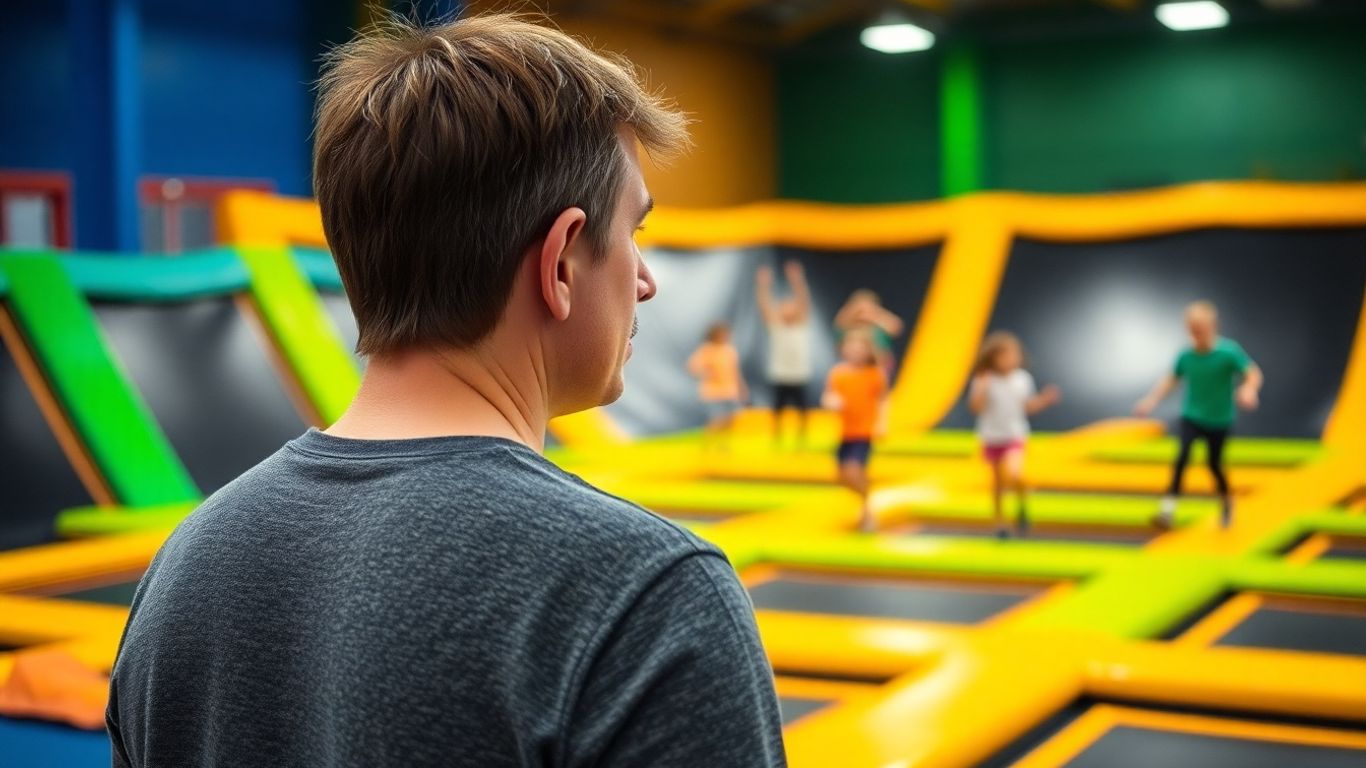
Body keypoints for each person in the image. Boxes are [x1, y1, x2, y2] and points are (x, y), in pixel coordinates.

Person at [106, 15, 785, 768]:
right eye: (634, 234)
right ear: (561, 261)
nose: (645, 280)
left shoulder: (184, 569)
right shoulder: (643, 600)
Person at [1135, 301, 1262, 530]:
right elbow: (1171, 379)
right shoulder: (1186, 355)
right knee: (1182, 458)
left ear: (1213, 326)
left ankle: (1226, 502)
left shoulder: (1228, 352)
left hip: (1219, 419)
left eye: (1201, 329)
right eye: (1193, 330)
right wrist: (1151, 400)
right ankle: (1167, 511)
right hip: (1192, 415)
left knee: (1213, 464)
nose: (1197, 335)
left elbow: (1252, 372)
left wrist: (1249, 389)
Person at [968, 332, 1061, 539]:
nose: (1012, 359)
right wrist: (982, 388)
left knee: (1015, 474)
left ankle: (1021, 502)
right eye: (1006, 356)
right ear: (993, 357)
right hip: (991, 437)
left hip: (1014, 435)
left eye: (1014, 355)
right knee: (997, 483)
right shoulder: (984, 378)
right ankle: (1000, 522)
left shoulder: (1022, 379)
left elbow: (1028, 406)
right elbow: (976, 408)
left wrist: (1044, 400)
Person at [822, 329, 888, 532]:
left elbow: (883, 400)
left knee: (853, 470)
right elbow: (829, 396)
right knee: (842, 476)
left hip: (863, 432)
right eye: (851, 347)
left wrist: (882, 422)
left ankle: (867, 509)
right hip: (846, 432)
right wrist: (831, 402)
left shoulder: (874, 374)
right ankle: (865, 498)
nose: (855, 352)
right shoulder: (838, 373)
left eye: (860, 348)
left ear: (868, 351)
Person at [756, 261, 813, 447]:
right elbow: (765, 305)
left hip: (798, 374)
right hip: (781, 374)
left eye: (791, 307)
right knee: (777, 409)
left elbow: (804, 301)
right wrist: (763, 285)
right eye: (784, 307)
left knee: (802, 409)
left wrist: (797, 280)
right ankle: (777, 435)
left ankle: (802, 436)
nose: (788, 310)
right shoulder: (777, 328)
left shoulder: (800, 326)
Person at [688, 323, 747, 451]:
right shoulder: (707, 350)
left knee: (730, 420)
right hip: (713, 392)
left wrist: (742, 388)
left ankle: (724, 444)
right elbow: (692, 367)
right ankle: (707, 444)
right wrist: (706, 373)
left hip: (730, 391)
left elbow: (735, 372)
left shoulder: (729, 350)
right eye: (722, 334)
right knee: (717, 419)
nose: (725, 337)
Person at [834, 289, 904, 375]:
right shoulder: (850, 325)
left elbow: (896, 328)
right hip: (853, 367)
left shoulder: (877, 324)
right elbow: (839, 323)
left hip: (879, 366)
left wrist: (874, 316)